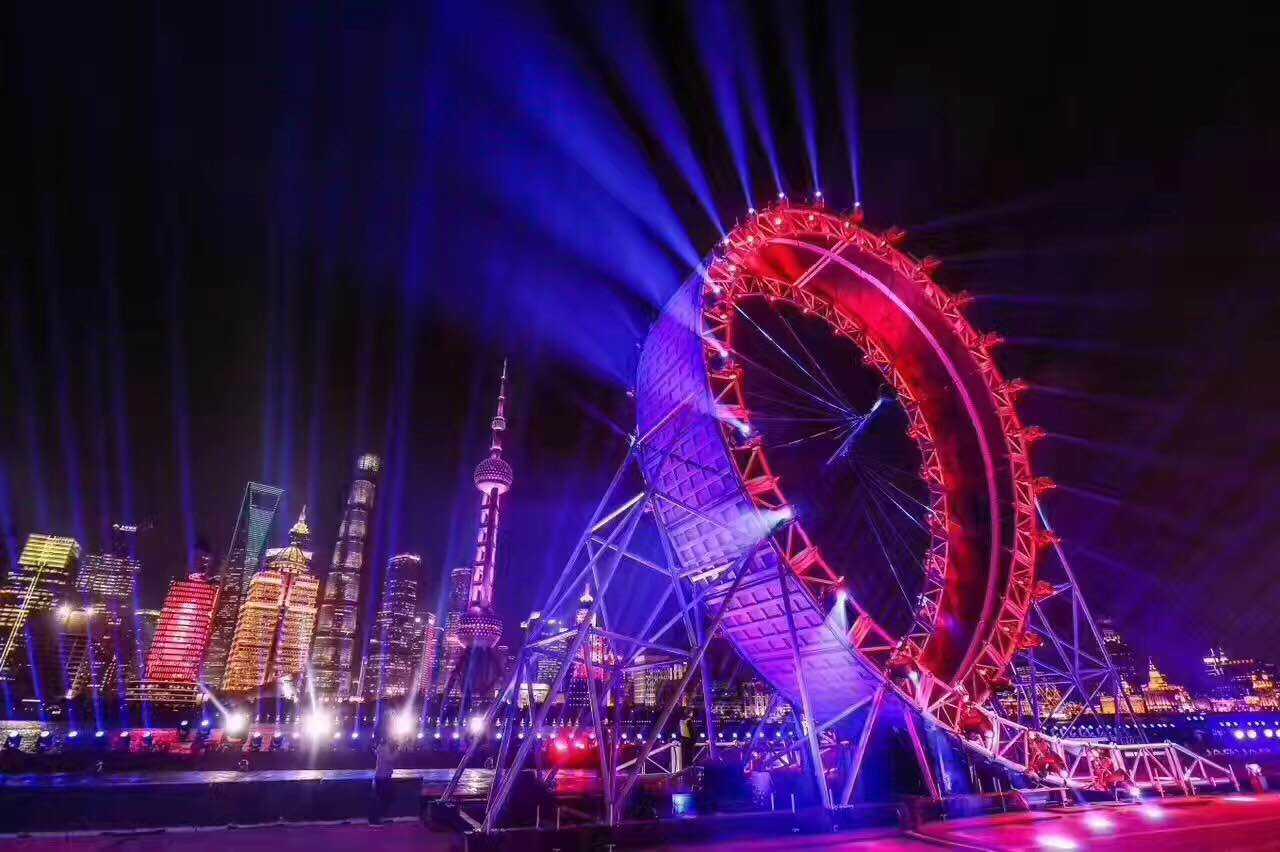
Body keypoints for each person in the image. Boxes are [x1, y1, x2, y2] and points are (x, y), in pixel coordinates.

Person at [369, 735, 396, 825]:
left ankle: (380, 818)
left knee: (384, 797)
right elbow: (390, 759)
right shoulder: (384, 748)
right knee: (382, 798)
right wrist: (398, 751)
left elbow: (377, 754)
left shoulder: (382, 747)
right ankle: (375, 820)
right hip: (383, 777)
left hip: (383, 776)